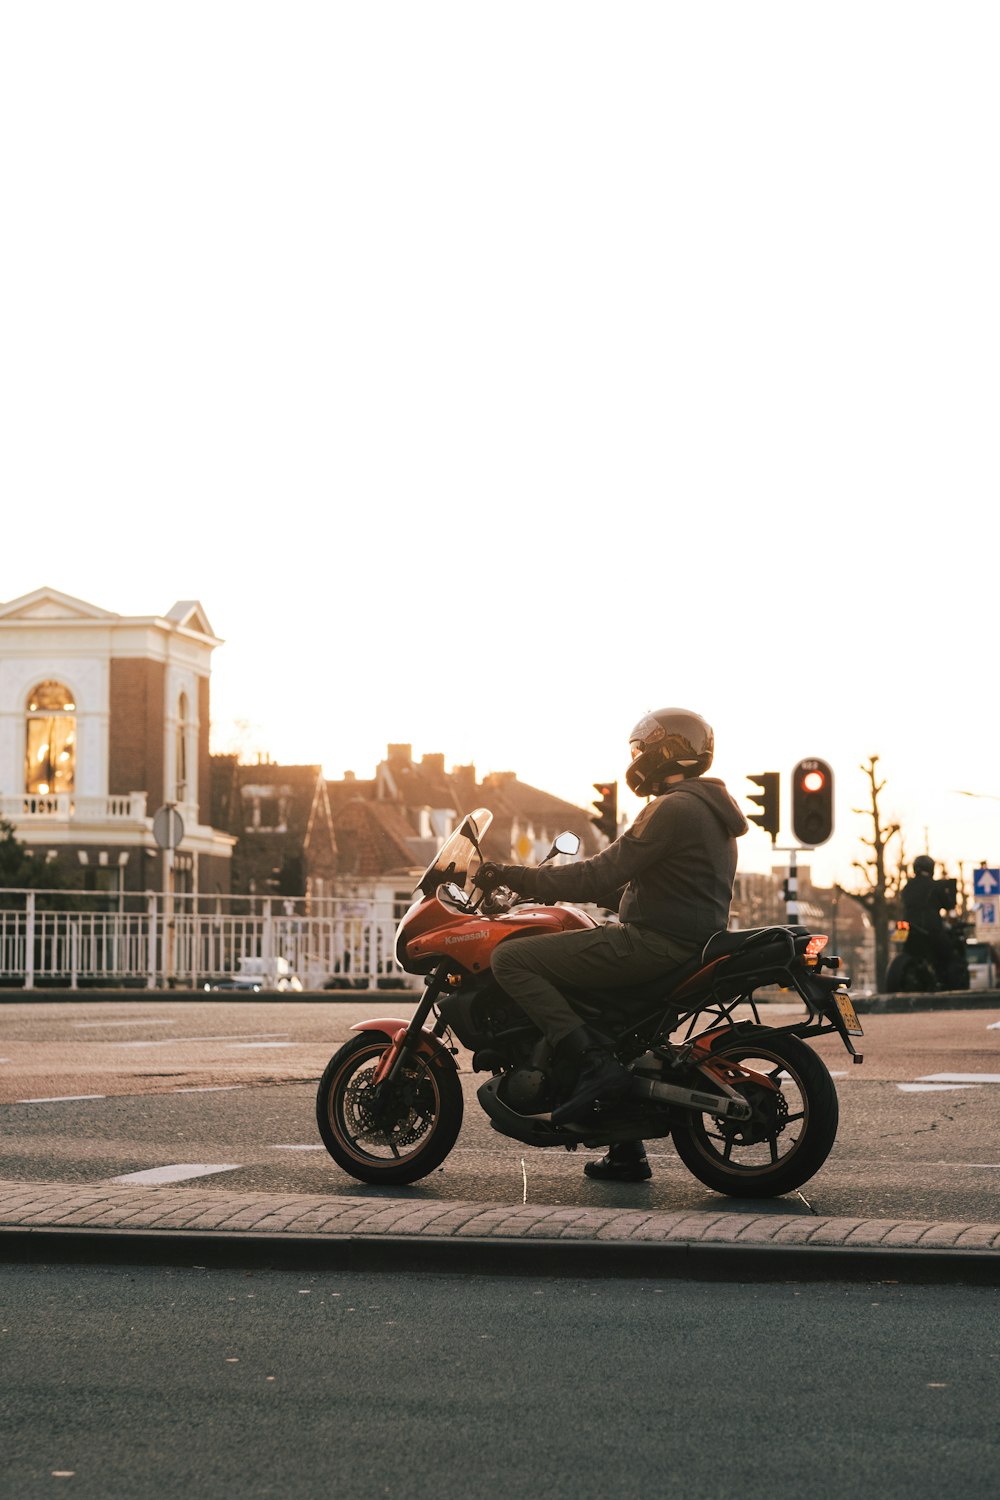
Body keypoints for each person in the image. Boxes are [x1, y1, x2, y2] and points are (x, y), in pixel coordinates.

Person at [476, 707, 748, 1182]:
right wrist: (585, 891)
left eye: (642, 749)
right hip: (682, 944)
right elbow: (645, 887)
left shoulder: (672, 808)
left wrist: (512, 874)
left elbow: (598, 870)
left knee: (512, 958)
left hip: (653, 945)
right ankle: (626, 1151)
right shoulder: (709, 811)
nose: (637, 759)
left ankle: (593, 1065)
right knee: (613, 1022)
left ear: (667, 750)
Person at [901, 855, 953, 977]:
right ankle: (944, 977)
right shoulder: (935, 886)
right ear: (931, 869)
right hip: (929, 926)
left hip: (906, 925)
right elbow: (948, 904)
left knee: (904, 948)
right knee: (948, 951)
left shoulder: (907, 887)